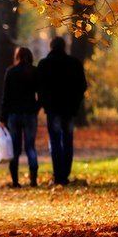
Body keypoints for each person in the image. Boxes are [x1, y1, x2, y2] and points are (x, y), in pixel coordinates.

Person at [36, 36, 87, 186]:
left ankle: (58, 175)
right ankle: (65, 174)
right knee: (67, 140)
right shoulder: (74, 63)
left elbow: (39, 87)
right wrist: (75, 102)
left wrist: (44, 103)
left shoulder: (44, 64)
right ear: (64, 47)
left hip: (52, 109)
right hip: (69, 109)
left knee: (55, 141)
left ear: (51, 47)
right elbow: (82, 86)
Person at [0, 47, 40, 187]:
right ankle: (33, 179)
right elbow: (40, 94)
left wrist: (3, 118)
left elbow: (6, 97)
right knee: (30, 147)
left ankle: (15, 181)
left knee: (15, 148)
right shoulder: (34, 72)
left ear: (16, 56)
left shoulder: (11, 72)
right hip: (30, 114)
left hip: (13, 115)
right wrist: (36, 108)